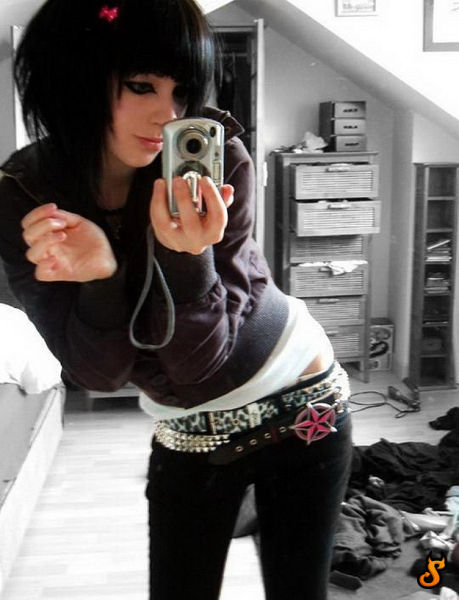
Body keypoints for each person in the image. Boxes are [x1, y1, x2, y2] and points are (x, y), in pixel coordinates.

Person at [0, 1, 353, 598]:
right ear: (75, 79)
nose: (168, 115)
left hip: (305, 405)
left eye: (181, 92)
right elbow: (98, 375)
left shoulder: (220, 163)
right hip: (189, 429)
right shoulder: (26, 195)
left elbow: (200, 362)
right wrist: (102, 276)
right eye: (141, 86)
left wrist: (187, 256)